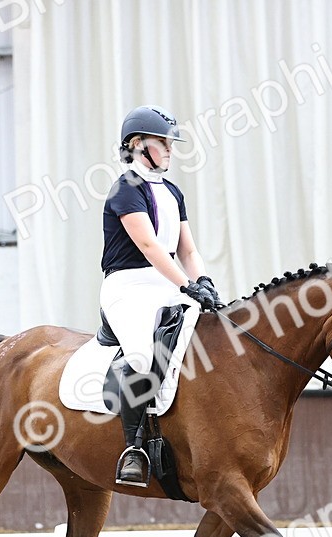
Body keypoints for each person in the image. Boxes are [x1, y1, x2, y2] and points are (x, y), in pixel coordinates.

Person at [100, 104, 223, 487]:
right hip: (128, 286)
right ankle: (133, 448)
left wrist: (203, 281)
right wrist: (186, 286)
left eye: (171, 142)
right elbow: (151, 247)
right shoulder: (126, 189)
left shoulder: (171, 191)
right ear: (137, 145)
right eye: (163, 142)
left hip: (167, 281)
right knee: (140, 354)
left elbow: (185, 249)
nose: (170, 148)